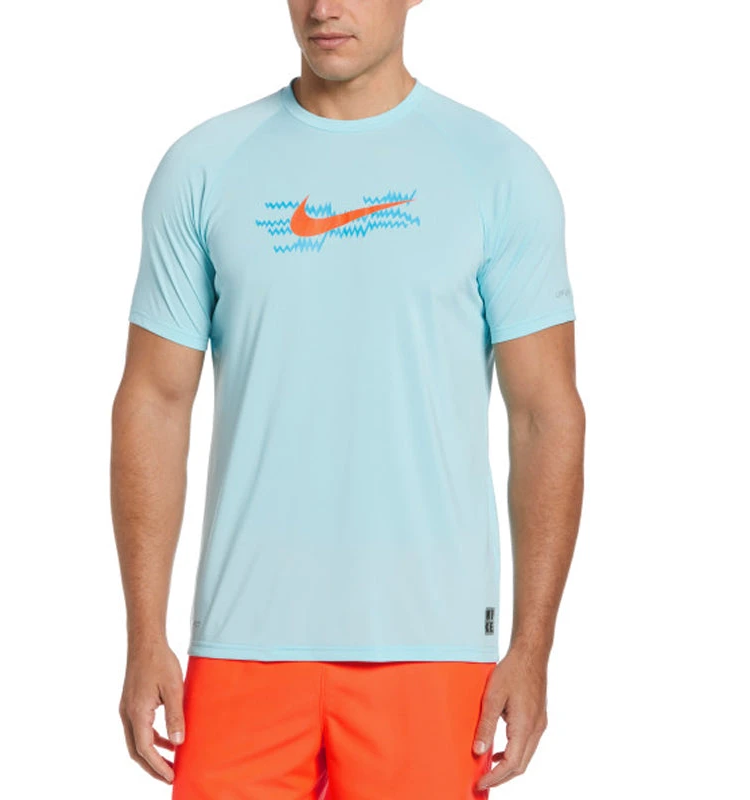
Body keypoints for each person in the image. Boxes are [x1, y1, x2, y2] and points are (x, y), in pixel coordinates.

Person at [111, 1, 585, 797]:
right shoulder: (205, 166)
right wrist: (142, 632)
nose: (325, 7)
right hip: (240, 648)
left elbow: (546, 417)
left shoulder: (495, 170)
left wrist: (531, 649)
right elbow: (153, 401)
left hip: (432, 655)